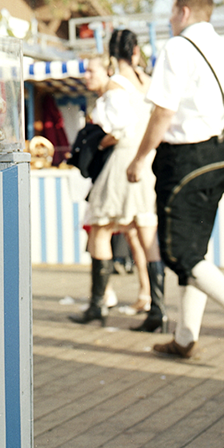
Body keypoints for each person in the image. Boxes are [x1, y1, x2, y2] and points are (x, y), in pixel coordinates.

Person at [127, 0, 224, 361]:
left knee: (177, 252)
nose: (170, 20)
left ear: (184, 11)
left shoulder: (177, 49)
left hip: (187, 159)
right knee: (195, 250)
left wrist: (140, 158)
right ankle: (185, 339)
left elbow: (163, 112)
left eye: (172, 13)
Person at [69, 30, 163, 329]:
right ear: (136, 52)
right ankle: (157, 308)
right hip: (147, 159)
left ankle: (98, 305)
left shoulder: (115, 85)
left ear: (112, 54)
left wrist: (98, 144)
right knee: (146, 230)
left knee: (99, 228)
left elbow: (118, 127)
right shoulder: (146, 82)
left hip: (123, 160)